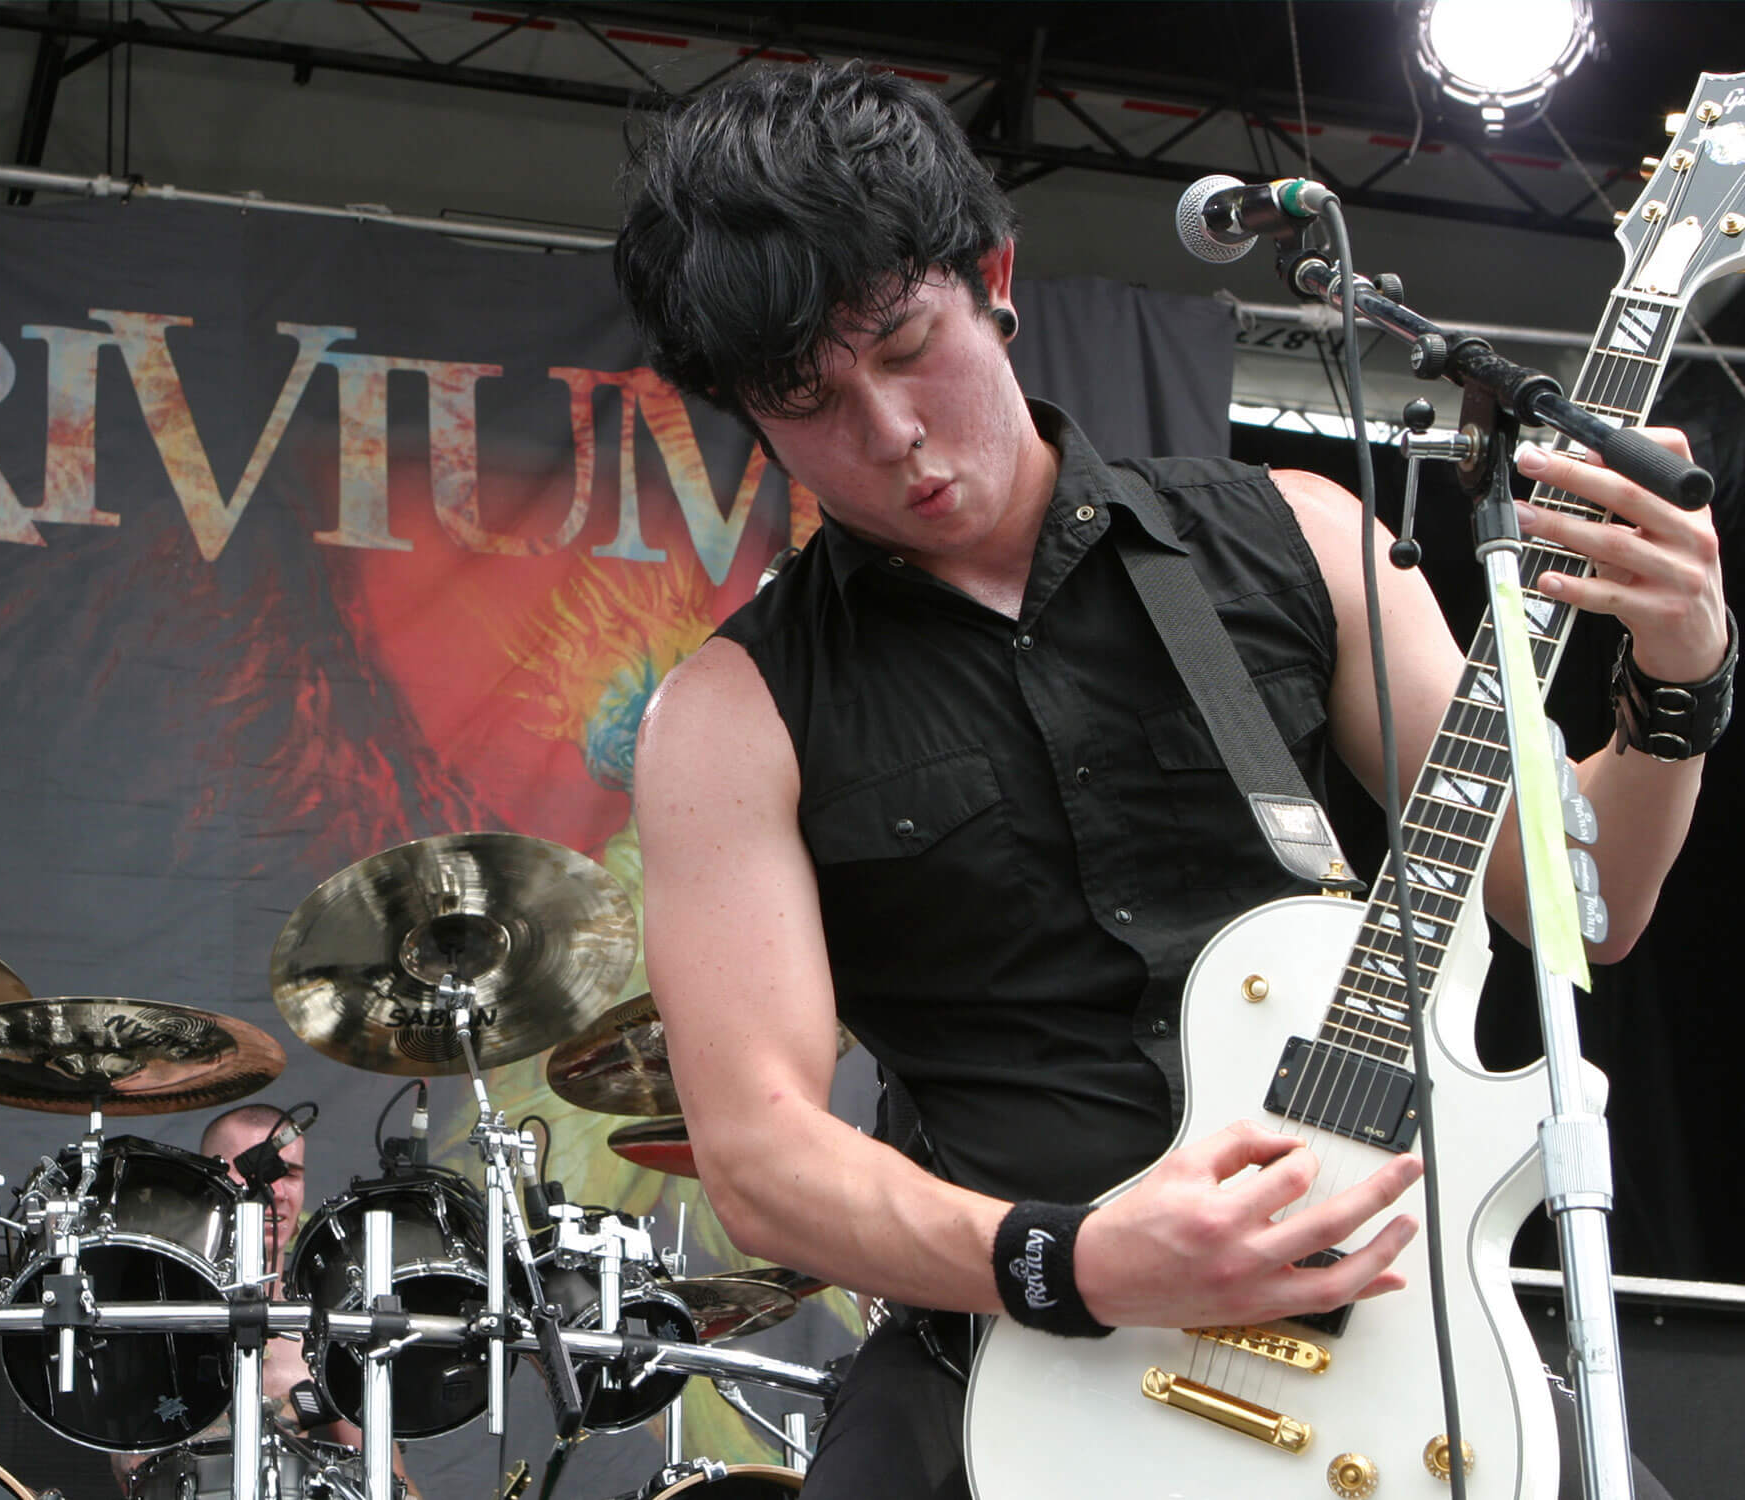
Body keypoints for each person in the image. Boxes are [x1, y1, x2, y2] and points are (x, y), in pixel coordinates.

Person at [616, 62, 1728, 1498]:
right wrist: (1073, 1260)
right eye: (811, 401)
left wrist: (1681, 675)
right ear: (748, 417)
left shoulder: (1300, 538)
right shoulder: (731, 716)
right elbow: (760, 1155)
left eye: (904, 346)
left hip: (1384, 1345)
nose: (889, 432)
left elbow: (1586, 904)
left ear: (992, 278)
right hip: (1002, 1353)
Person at [111, 1105, 420, 1497]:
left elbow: (391, 1482)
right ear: (209, 1182)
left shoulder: (328, 1323)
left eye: (290, 1174)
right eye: (256, 1172)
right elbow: (136, 1470)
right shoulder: (162, 1311)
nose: (276, 1192)